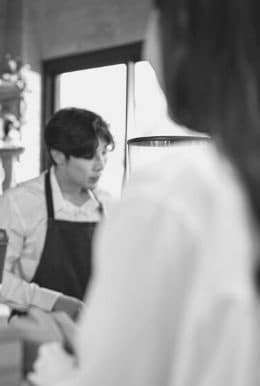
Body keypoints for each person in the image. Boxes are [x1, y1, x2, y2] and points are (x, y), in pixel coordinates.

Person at [29, 1, 260, 385]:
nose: (147, 52)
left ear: (184, 33)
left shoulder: (169, 197)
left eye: (155, 16)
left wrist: (53, 355)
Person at [0, 108, 113, 318]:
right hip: (37, 332)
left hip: (97, 333)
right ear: (58, 156)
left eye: (105, 152)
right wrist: (53, 301)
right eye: (89, 156)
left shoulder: (108, 204)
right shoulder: (17, 203)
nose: (100, 165)